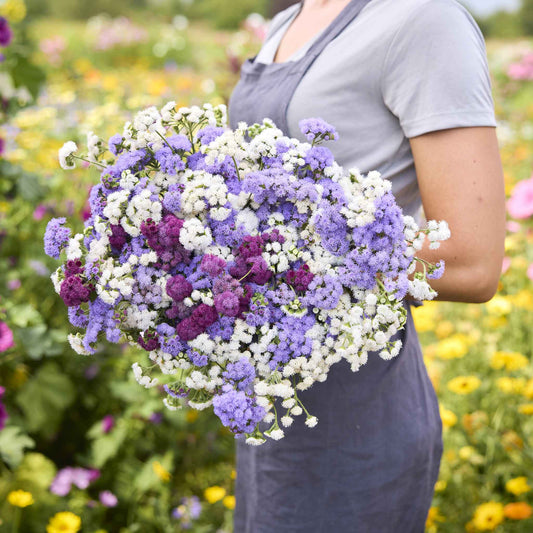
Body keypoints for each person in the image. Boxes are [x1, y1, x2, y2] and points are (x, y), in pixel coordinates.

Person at [227, 0, 506, 531]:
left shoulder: (424, 20)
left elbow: (474, 261)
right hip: (270, 401)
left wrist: (283, 273)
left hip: (358, 408)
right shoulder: (290, 19)